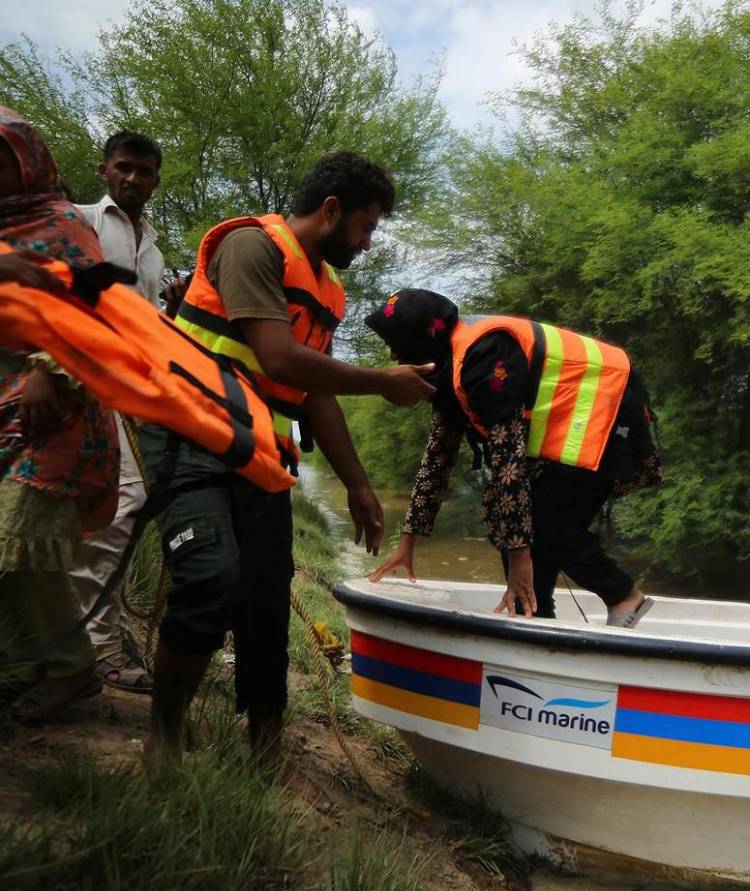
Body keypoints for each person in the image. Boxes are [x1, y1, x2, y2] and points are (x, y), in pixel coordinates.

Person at [142, 151, 435, 767]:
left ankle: (266, 752)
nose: (367, 242)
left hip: (262, 455)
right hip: (190, 434)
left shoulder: (328, 289)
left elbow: (314, 391)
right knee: (210, 578)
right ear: (331, 210)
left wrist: (357, 484)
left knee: (267, 603)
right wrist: (382, 381)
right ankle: (164, 738)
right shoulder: (251, 247)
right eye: (366, 226)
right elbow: (279, 357)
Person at [365, 290, 662, 627]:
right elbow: (437, 458)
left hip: (605, 416)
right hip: (570, 431)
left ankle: (622, 596)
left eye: (397, 344)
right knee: (519, 528)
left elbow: (508, 461)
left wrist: (519, 558)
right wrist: (407, 542)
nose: (393, 354)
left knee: (540, 524)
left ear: (422, 337)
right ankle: (533, 617)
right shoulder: (451, 366)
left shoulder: (485, 358)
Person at [0, 105, 120, 718]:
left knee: (27, 540)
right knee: (7, 550)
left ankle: (72, 670)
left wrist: (49, 369)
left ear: (27, 162)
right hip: (5, 407)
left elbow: (95, 308)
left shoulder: (64, 223)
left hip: (61, 408)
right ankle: (26, 667)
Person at [69, 131, 166, 694]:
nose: (133, 178)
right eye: (124, 167)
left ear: (155, 180)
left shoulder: (152, 247)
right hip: (75, 386)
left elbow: (145, 321)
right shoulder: (80, 221)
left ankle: (93, 637)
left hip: (131, 394)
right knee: (113, 511)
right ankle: (94, 646)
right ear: (105, 169)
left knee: (118, 510)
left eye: (144, 171)